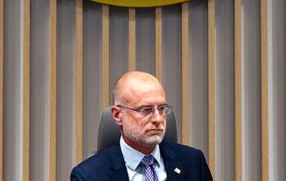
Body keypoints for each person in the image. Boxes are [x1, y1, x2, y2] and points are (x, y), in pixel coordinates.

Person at [70, 71, 213, 180]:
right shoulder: (88, 176)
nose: (158, 118)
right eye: (146, 110)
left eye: (162, 108)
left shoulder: (193, 163)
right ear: (117, 115)